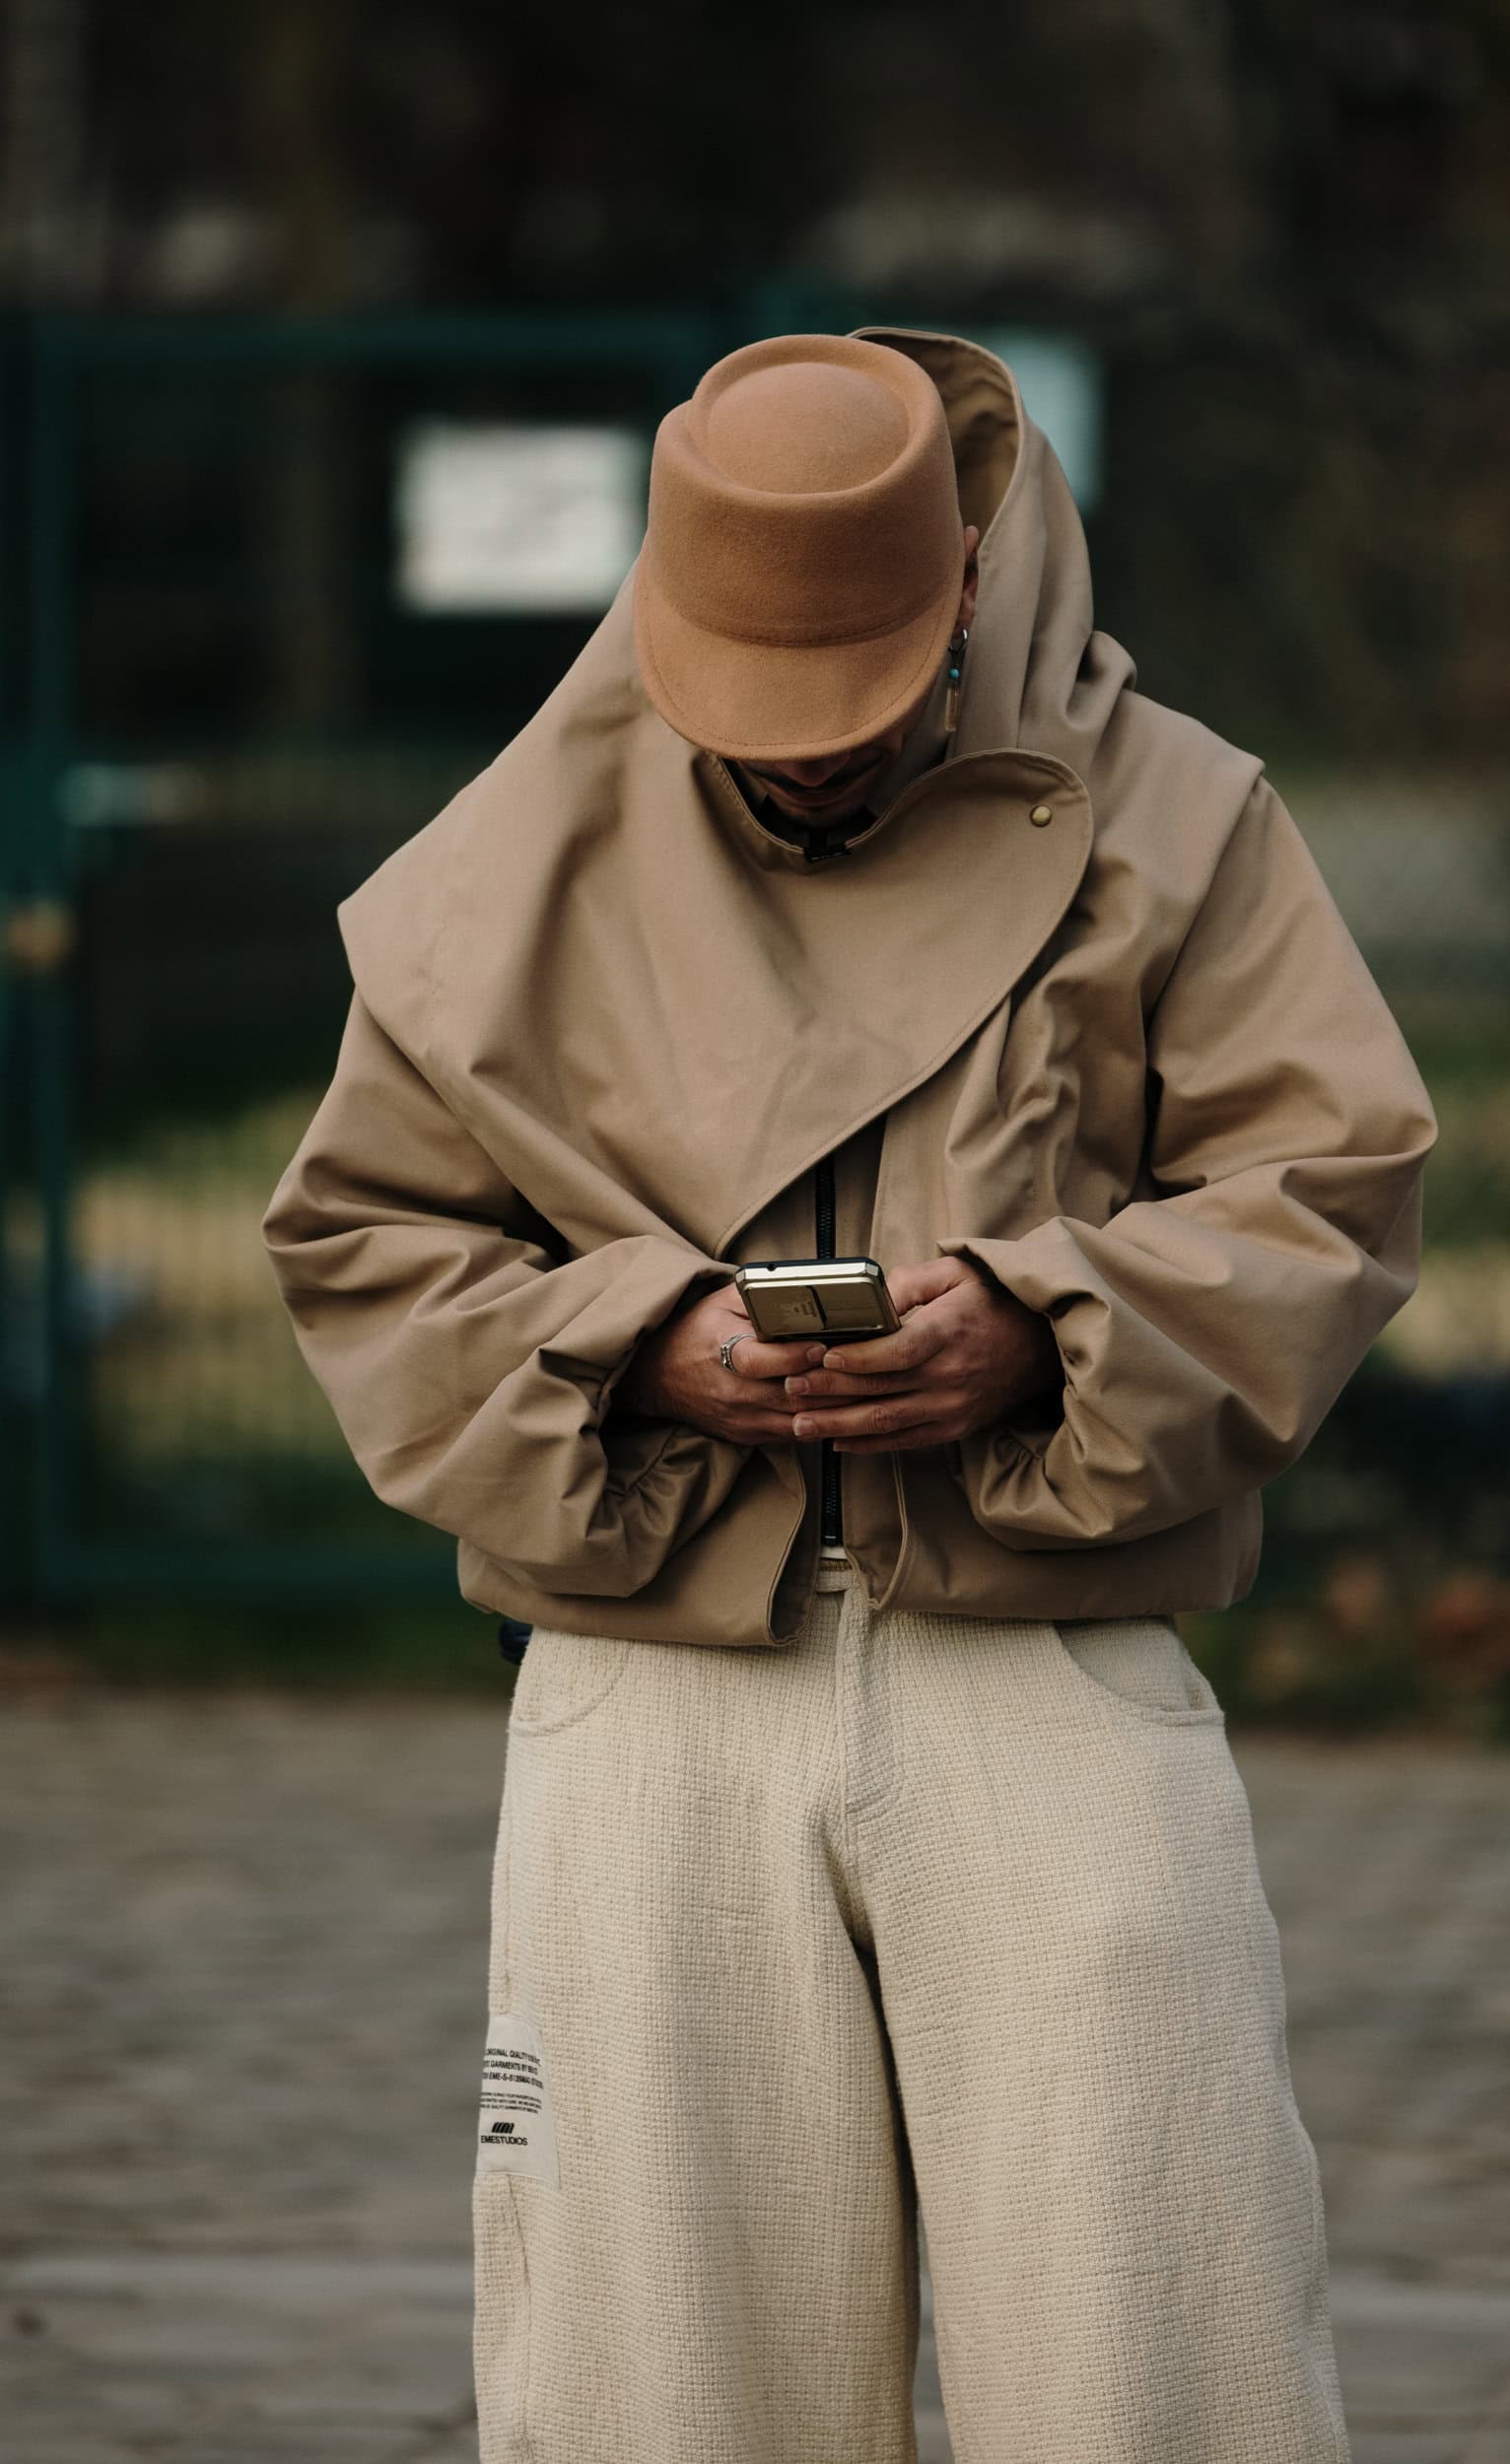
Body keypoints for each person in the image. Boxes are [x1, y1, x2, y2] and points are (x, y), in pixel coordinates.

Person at [263, 326, 1436, 2463]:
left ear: (965, 583)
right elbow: (361, 1246)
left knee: (1151, 2348)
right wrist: (637, 1338)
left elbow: (1328, 1181)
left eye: (854, 702)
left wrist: (1038, 1315)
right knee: (658, 2373)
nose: (800, 763)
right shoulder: (508, 849)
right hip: (649, 1688)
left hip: (1054, 1657)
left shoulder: (1178, 811)